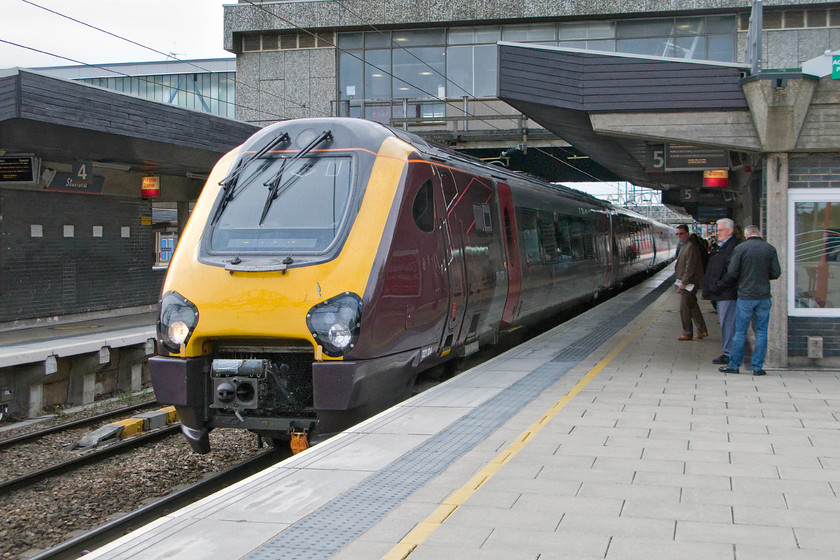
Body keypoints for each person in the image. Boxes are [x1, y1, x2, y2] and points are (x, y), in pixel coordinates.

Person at [718, 225, 782, 376]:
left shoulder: (741, 248)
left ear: (746, 235)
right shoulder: (770, 249)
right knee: (761, 332)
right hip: (764, 297)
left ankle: (734, 365)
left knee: (740, 332)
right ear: (759, 234)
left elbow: (732, 271)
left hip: (745, 296)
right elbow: (776, 272)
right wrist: (764, 278)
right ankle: (758, 368)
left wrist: (744, 278)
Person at [702, 218, 740, 365]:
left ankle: (729, 354)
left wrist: (719, 285)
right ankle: (728, 352)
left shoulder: (732, 248)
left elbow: (732, 272)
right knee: (725, 323)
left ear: (730, 230)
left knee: (728, 324)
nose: (718, 233)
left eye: (721, 230)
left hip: (727, 293)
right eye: (717, 230)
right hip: (721, 292)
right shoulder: (721, 247)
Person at [674, 225, 708, 341]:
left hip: (689, 284)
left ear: (687, 233)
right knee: (692, 305)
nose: (679, 236)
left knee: (684, 308)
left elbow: (690, 266)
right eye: (677, 234)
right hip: (688, 282)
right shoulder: (686, 245)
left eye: (681, 233)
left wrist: (684, 282)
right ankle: (702, 330)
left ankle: (687, 332)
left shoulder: (691, 246)